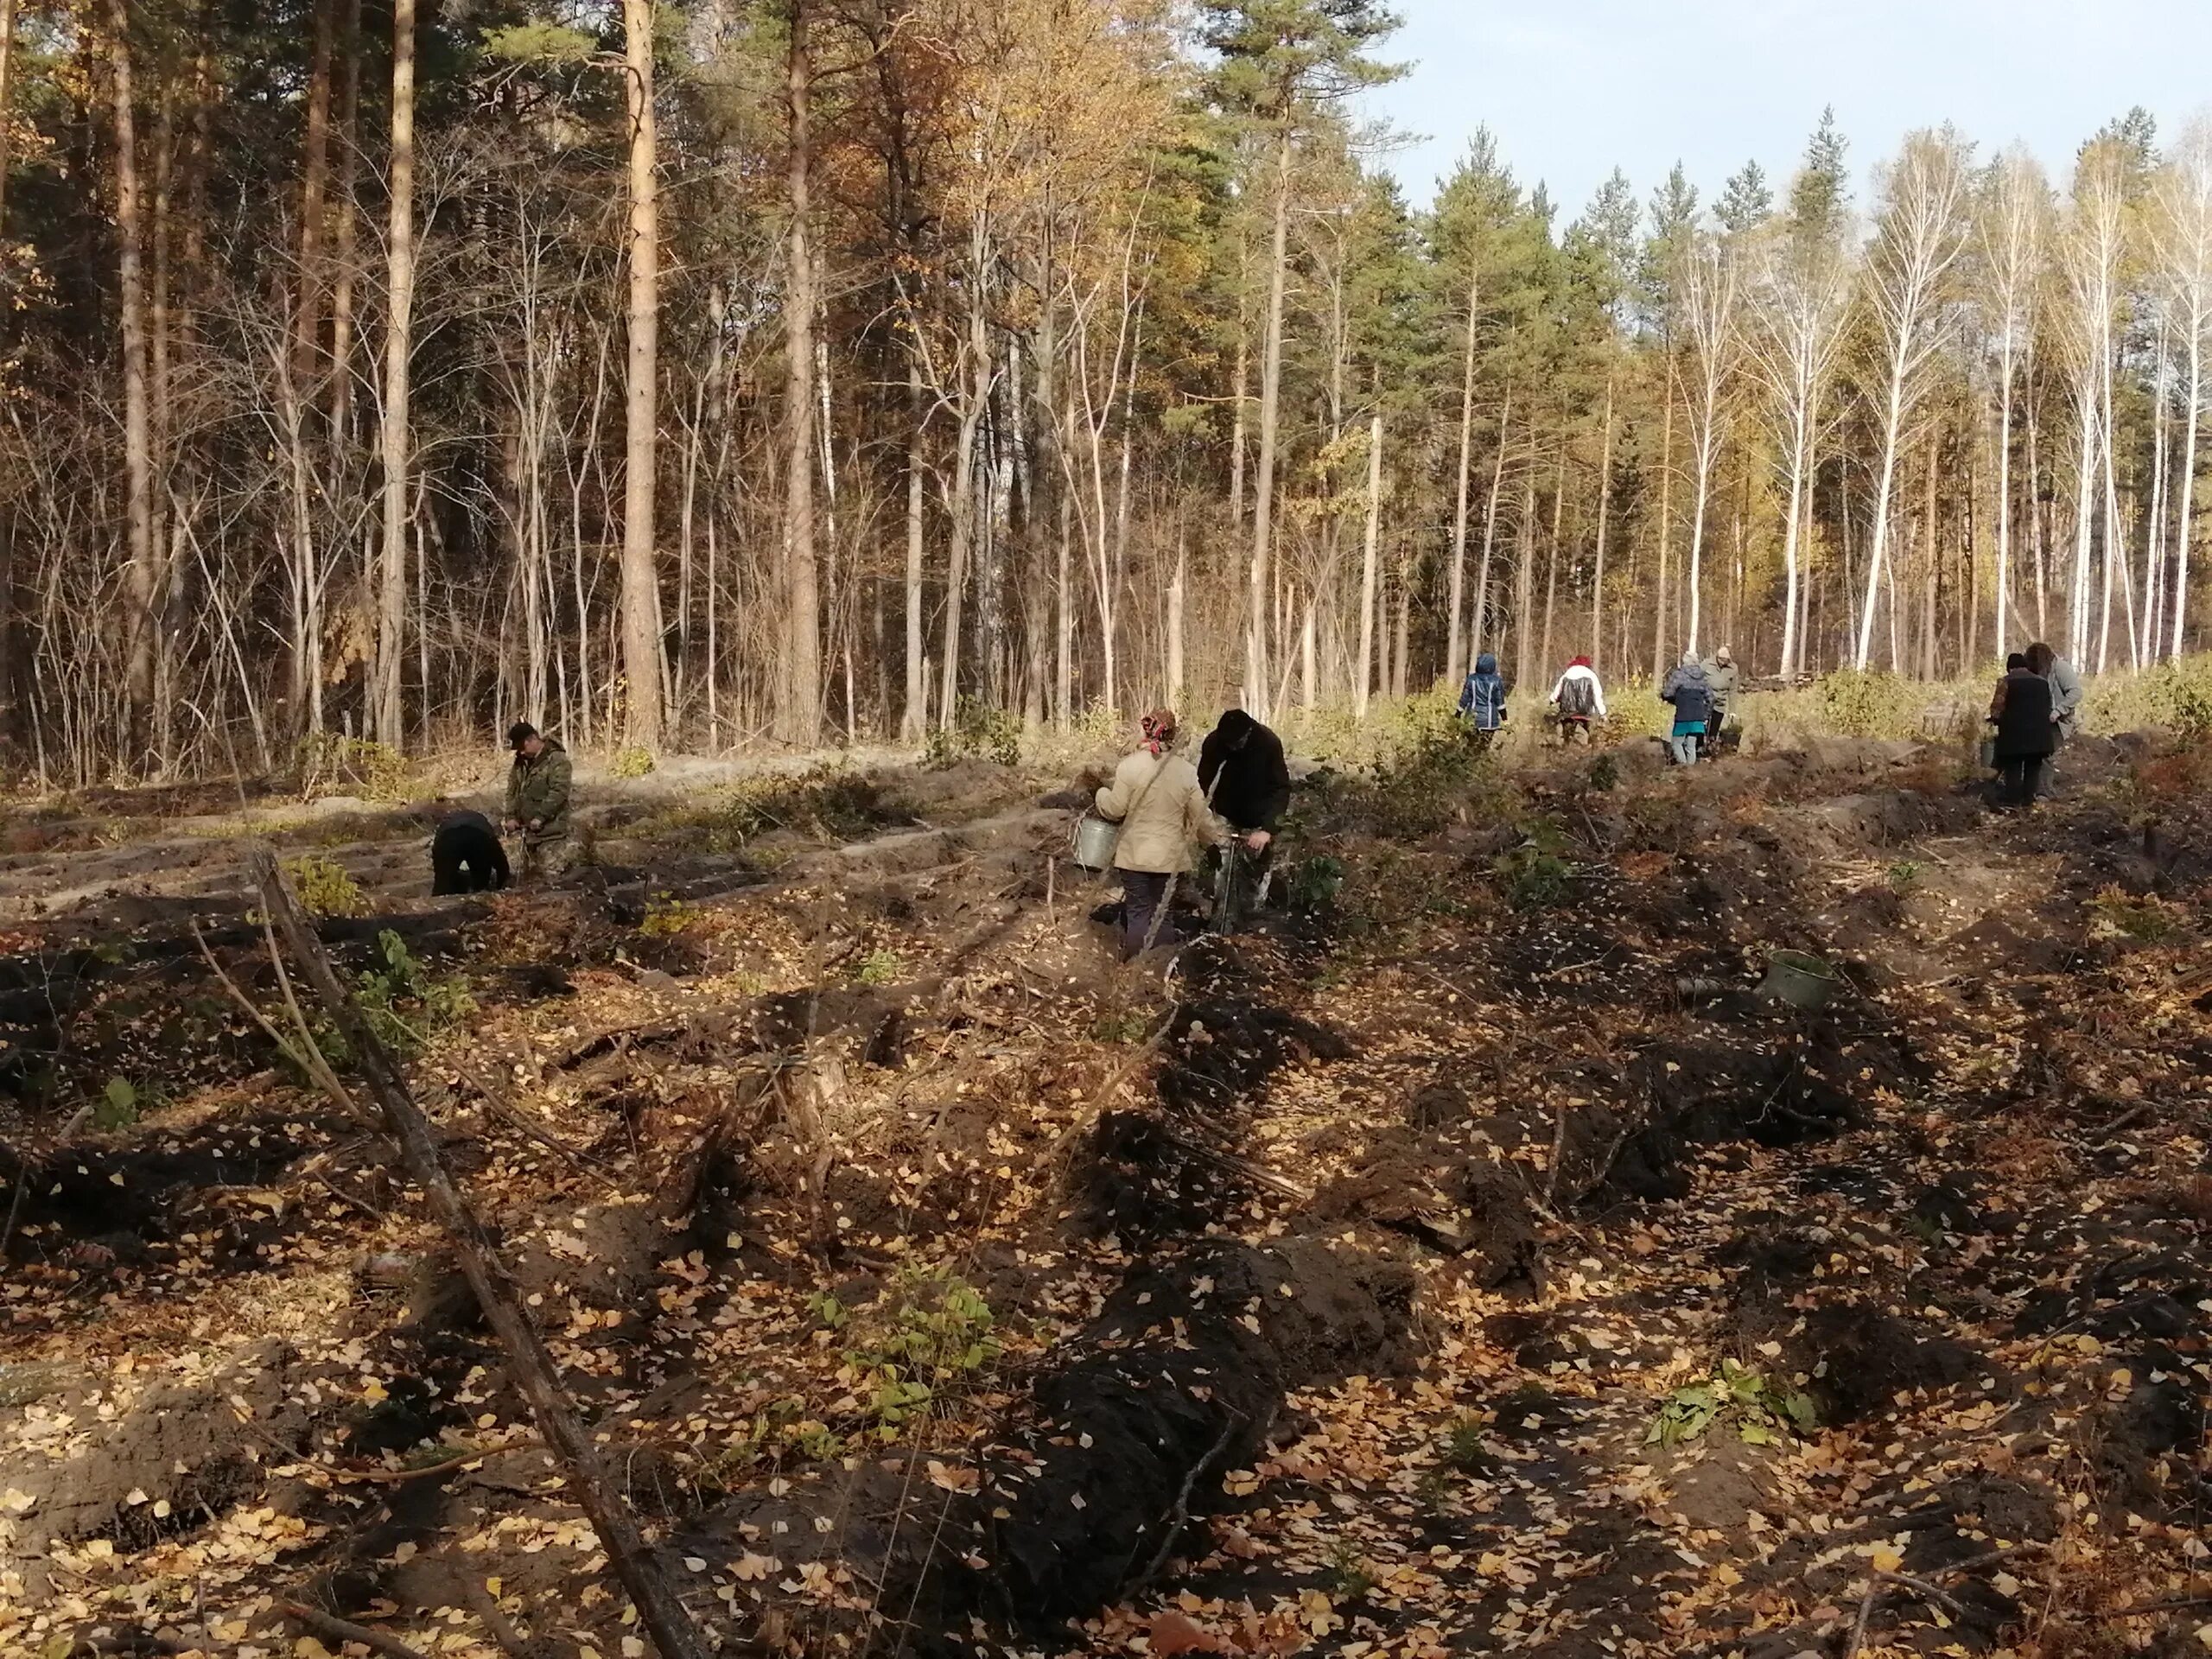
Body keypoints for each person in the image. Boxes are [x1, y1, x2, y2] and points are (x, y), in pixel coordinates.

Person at [1094, 709, 1230, 961]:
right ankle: (1158, 970)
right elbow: (1200, 816)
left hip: (1134, 856)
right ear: (1174, 734)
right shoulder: (1187, 771)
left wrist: (1100, 794)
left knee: (1137, 913)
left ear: (1146, 730)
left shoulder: (1129, 766)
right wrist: (1215, 841)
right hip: (1169, 859)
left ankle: (1132, 969)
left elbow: (1114, 809)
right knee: (1163, 914)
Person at [1198, 709, 1292, 928]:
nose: (1232, 747)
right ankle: (1220, 924)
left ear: (1249, 732)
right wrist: (1202, 818)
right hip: (1224, 813)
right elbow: (1200, 783)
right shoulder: (1214, 743)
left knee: (1253, 877)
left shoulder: (1268, 743)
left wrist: (1267, 829)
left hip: (1258, 819)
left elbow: (1281, 788)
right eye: (1228, 743)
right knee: (1223, 872)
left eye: (1237, 742)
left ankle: (1250, 927)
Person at [504, 722, 575, 881]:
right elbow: (512, 791)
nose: (520, 752)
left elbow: (559, 792)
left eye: (522, 747)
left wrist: (541, 817)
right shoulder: (520, 763)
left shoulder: (557, 760)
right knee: (524, 878)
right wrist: (511, 816)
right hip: (526, 833)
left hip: (551, 832)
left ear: (533, 739)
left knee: (551, 877)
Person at [1989, 650, 2056, 807]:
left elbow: (1996, 708)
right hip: (2040, 737)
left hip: (2014, 737)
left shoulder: (2005, 681)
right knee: (2033, 769)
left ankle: (2013, 802)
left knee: (2013, 768)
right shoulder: (2042, 683)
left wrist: (1995, 720)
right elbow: (2048, 706)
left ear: (2009, 668)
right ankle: (2028, 802)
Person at [431, 807, 510, 895]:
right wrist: (501, 887)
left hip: (448, 837)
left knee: (442, 886)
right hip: (479, 837)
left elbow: (437, 859)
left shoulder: (448, 822)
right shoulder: (484, 825)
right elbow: (502, 864)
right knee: (481, 887)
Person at [1660, 652, 1713, 766]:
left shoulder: (1679, 675)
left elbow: (1667, 693)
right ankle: (1691, 773)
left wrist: (1675, 700)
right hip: (1698, 717)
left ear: (1685, 661)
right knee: (1691, 746)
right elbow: (1711, 698)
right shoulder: (1703, 677)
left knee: (1676, 744)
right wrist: (1705, 715)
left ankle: (1684, 768)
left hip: (1683, 715)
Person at [1548, 656, 1607, 744]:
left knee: (1565, 734)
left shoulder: (1567, 674)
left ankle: (1563, 748)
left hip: (1567, 711)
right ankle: (1592, 749)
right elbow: (1597, 696)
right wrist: (1603, 713)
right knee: (1592, 734)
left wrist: (1551, 701)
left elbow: (1556, 694)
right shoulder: (1591, 675)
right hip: (1586, 711)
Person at [1458, 652, 1509, 749]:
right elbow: (1500, 703)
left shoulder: (1471, 679)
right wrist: (1505, 719)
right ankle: (1481, 763)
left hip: (1471, 720)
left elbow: (1464, 699)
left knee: (1471, 747)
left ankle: (1469, 763)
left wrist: (1458, 714)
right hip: (1489, 722)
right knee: (1484, 747)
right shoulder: (1496, 681)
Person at [1701, 646, 1742, 747]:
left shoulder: (1733, 668)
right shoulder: (1706, 664)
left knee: (1714, 730)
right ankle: (1699, 749)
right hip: (1705, 701)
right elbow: (1697, 679)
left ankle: (1711, 748)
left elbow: (1733, 690)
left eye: (1726, 660)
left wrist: (1732, 710)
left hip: (1720, 703)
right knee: (1701, 728)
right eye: (1722, 660)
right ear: (1717, 658)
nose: (1724, 662)